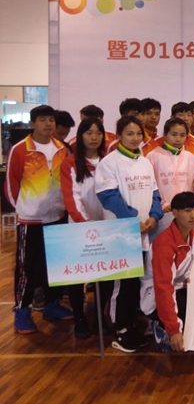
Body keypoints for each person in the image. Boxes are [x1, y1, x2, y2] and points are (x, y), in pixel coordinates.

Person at [95, 115, 164, 352]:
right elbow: (108, 196)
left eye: (138, 134)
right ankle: (120, 329)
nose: (135, 138)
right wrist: (134, 219)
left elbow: (155, 193)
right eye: (129, 133)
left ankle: (131, 324)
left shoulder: (144, 162)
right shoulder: (109, 163)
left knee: (135, 283)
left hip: (144, 232)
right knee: (121, 284)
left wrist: (154, 216)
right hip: (122, 233)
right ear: (119, 135)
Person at [5, 105, 74, 334]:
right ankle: (22, 310)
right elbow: (11, 184)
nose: (48, 124)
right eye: (42, 119)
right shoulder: (20, 150)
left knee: (55, 264)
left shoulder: (62, 148)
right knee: (27, 268)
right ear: (33, 123)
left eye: (51, 120)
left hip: (58, 217)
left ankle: (52, 304)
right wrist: (24, 209)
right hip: (30, 221)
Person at [59, 116, 107, 339]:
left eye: (98, 133)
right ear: (80, 136)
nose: (94, 137)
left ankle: (99, 316)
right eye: (89, 133)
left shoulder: (108, 161)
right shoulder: (70, 163)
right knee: (78, 276)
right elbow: (72, 197)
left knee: (105, 274)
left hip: (106, 225)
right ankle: (79, 318)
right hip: (79, 226)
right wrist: (84, 222)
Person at [140, 191, 194, 352]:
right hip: (157, 297)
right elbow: (163, 288)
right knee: (191, 313)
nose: (193, 215)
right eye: (187, 211)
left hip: (181, 287)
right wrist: (174, 330)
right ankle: (160, 325)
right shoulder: (164, 245)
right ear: (174, 213)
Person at [146, 117, 194, 234]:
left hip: (187, 211)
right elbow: (149, 185)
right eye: (174, 134)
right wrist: (162, 205)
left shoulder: (189, 156)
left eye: (182, 135)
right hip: (164, 211)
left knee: (186, 241)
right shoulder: (153, 156)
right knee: (164, 241)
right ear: (165, 134)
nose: (178, 139)